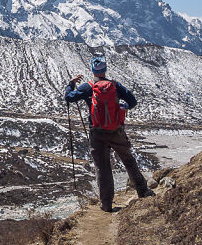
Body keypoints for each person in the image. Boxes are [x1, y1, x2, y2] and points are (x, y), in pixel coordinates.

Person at [65, 54, 154, 212]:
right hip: (115, 130)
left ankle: (106, 204)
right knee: (128, 159)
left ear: (92, 70)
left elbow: (69, 98)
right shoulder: (115, 85)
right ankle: (143, 191)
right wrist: (122, 107)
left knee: (103, 167)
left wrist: (71, 83)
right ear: (105, 69)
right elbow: (132, 102)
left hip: (96, 132)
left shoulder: (88, 87)